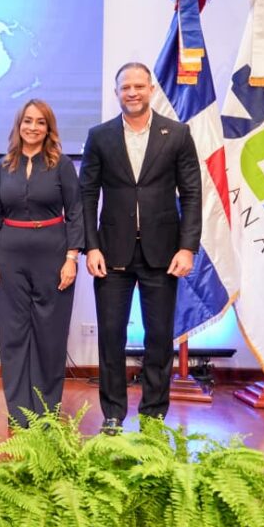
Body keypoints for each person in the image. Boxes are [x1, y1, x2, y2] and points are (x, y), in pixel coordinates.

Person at [79, 62, 201, 434]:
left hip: (163, 255)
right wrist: (91, 247)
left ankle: (153, 417)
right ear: (117, 92)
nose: (132, 92)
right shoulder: (99, 136)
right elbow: (87, 196)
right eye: (125, 87)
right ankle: (113, 415)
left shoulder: (177, 134)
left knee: (159, 338)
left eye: (138, 86)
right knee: (111, 336)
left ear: (150, 89)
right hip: (111, 254)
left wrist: (187, 248)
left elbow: (192, 194)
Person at [0, 99, 83, 428]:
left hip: (53, 255)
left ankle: (45, 412)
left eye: (40, 122)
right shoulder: (3, 167)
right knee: (12, 335)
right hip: (9, 257)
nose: (33, 127)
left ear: (49, 128)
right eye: (28, 121)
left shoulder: (62, 165)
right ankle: (19, 411)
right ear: (19, 125)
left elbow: (76, 213)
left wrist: (71, 259)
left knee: (49, 335)